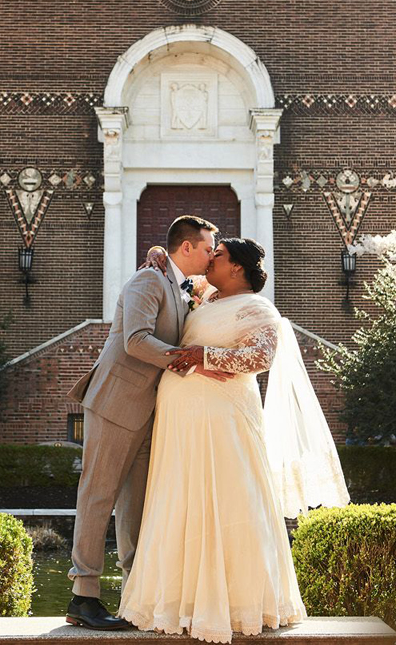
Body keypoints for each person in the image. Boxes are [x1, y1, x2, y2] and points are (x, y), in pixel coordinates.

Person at [118, 238, 349, 643]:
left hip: (223, 421)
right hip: (181, 424)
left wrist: (202, 355)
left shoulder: (258, 309)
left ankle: (237, 606)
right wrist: (158, 251)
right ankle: (178, 603)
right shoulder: (205, 298)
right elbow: (180, 263)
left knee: (227, 498)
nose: (210, 259)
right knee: (180, 498)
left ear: (237, 269)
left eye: (218, 256)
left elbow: (260, 357)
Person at [64, 215, 230, 630]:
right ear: (187, 247)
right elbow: (134, 340)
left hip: (150, 412)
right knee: (97, 496)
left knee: (136, 506)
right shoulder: (148, 281)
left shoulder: (176, 285)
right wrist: (190, 362)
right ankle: (83, 597)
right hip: (116, 404)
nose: (212, 256)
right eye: (209, 248)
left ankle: (134, 594)